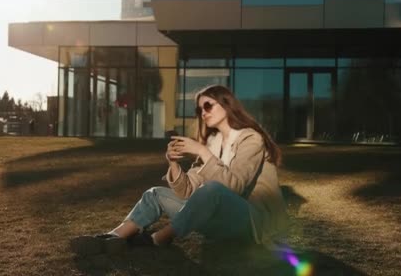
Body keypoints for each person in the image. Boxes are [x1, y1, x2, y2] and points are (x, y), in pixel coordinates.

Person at [71, 85, 288, 255]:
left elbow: (236, 187)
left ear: (227, 104)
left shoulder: (250, 138)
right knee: (155, 193)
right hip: (219, 219)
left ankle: (159, 238)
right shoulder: (213, 142)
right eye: (199, 109)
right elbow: (187, 191)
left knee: (212, 189)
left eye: (208, 106)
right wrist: (173, 163)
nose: (202, 112)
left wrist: (203, 152)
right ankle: (113, 238)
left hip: (252, 222)